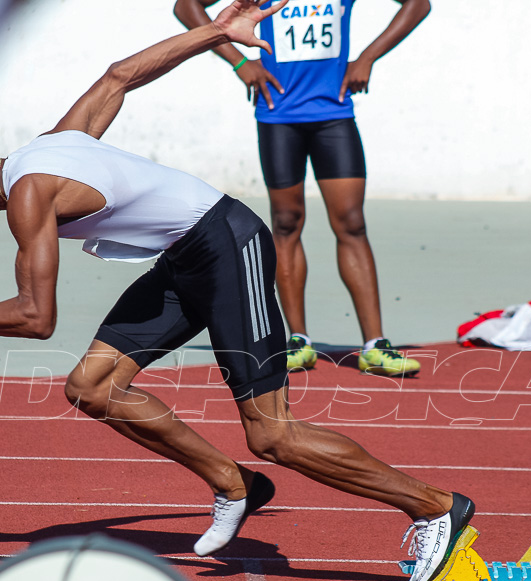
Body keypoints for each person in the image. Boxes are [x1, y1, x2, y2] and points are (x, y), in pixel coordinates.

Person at [0, 0, 472, 581]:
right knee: (92, 388)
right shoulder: (45, 148)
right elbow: (120, 76)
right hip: (185, 259)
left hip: (227, 246)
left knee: (273, 434)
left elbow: (36, 318)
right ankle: (234, 484)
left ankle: (434, 507)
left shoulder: (29, 193)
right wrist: (217, 30)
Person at [173, 0, 430, 374]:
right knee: (287, 222)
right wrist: (241, 62)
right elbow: (186, 7)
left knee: (352, 223)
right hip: (278, 116)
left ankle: (375, 345)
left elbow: (418, 5)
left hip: (334, 114)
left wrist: (368, 57)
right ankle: (299, 340)